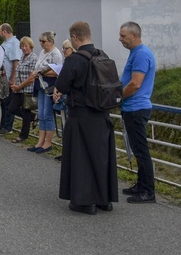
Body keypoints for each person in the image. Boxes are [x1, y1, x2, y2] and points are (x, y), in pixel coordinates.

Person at [54, 21, 118, 215]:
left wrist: (58, 90)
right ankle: (104, 200)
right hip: (102, 114)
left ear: (74, 37)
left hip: (81, 115)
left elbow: (63, 84)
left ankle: (84, 201)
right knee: (101, 157)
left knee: (81, 158)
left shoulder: (74, 60)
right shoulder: (103, 55)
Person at [119, 21, 157, 204]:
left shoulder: (141, 54)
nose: (120, 39)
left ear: (134, 35)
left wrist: (117, 97)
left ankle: (148, 191)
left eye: (123, 36)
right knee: (137, 149)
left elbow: (135, 84)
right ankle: (141, 185)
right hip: (132, 108)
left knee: (141, 151)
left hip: (136, 108)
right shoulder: (136, 53)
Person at [29, 31, 63, 153]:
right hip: (41, 84)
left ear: (50, 41)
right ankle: (40, 141)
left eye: (43, 41)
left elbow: (58, 71)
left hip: (50, 85)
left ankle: (48, 142)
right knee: (41, 113)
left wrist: (41, 73)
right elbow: (38, 66)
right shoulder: (42, 52)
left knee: (47, 113)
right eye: (40, 41)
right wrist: (36, 73)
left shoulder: (56, 53)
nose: (41, 44)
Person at [8, 36, 38, 143]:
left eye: (26, 46)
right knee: (12, 108)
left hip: (27, 89)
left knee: (26, 112)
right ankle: (34, 117)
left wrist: (19, 86)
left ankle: (23, 135)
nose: (24, 48)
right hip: (18, 88)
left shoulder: (33, 58)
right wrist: (15, 85)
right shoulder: (22, 57)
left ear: (31, 46)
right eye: (22, 46)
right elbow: (18, 72)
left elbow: (31, 78)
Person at [0, 23, 21, 134]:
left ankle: (8, 127)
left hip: (9, 78)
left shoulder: (15, 43)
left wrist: (13, 77)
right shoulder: (5, 43)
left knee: (8, 103)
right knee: (3, 102)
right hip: (2, 78)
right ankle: (2, 124)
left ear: (4, 31)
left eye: (0, 31)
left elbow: (16, 61)